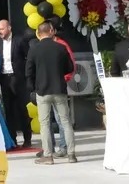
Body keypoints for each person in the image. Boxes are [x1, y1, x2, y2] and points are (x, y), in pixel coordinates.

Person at [26, 22, 77, 164]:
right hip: (59, 89)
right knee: (66, 122)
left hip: (42, 90)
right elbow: (69, 67)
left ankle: (48, 156)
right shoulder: (61, 47)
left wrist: (33, 87)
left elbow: (28, 71)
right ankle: (71, 154)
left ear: (38, 33)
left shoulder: (34, 49)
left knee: (44, 124)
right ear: (51, 31)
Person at [0, 20, 33, 148]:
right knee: (9, 110)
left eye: (2, 29)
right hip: (5, 79)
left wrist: (26, 74)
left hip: (18, 78)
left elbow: (29, 57)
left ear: (9, 28)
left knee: (22, 109)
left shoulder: (19, 40)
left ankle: (27, 139)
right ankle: (12, 139)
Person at [44, 18, 76, 158]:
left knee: (61, 119)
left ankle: (64, 147)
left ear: (53, 31)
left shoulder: (62, 45)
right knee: (46, 121)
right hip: (45, 87)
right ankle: (48, 148)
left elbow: (71, 65)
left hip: (58, 87)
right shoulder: (41, 45)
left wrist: (64, 79)